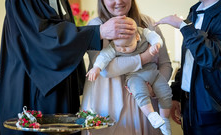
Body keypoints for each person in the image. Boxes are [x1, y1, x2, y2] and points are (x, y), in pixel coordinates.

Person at [0, 0, 136, 135]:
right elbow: (44, 39)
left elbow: (64, 31)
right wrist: (98, 32)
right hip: (33, 85)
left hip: (59, 85)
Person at [81, 0, 173, 135]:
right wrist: (145, 58)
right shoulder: (96, 27)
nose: (118, 1)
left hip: (145, 106)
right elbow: (106, 70)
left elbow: (165, 64)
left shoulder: (148, 23)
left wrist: (154, 88)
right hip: (108, 103)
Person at [155, 0, 221, 135]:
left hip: (213, 110)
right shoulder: (194, 10)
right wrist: (176, 94)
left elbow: (212, 57)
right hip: (189, 106)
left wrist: (184, 26)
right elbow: (189, 61)